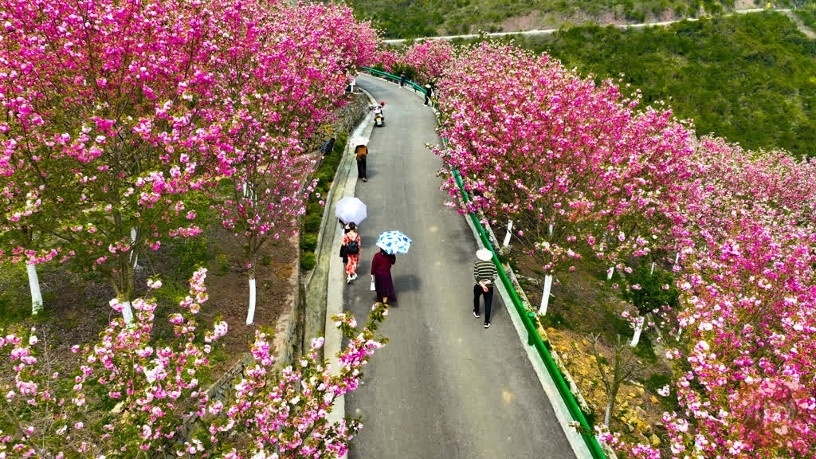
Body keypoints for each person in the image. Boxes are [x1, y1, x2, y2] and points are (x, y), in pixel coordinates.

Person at [473, 248, 497, 328]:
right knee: (488, 303)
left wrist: (482, 285)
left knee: (476, 298)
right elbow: (495, 276)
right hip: (489, 287)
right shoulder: (493, 265)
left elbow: (476, 276)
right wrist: (487, 283)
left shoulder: (477, 264)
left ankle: (476, 312)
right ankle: (486, 322)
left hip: (479, 286)